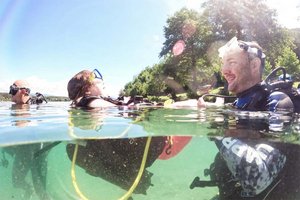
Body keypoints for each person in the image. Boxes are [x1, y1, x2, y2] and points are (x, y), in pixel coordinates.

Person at [190, 37, 300, 199]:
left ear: (254, 65)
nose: (224, 70)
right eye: (224, 63)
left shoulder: (278, 102)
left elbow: (258, 179)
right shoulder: (239, 104)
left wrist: (216, 129)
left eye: (232, 62)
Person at [66, 69, 167, 196]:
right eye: (96, 77)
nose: (102, 81)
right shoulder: (90, 100)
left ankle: (134, 181)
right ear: (87, 88)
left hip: (128, 156)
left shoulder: (82, 102)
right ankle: (135, 180)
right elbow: (109, 108)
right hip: (146, 147)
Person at [5, 79, 49, 200]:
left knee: (41, 191)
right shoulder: (14, 107)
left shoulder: (37, 107)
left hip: (37, 151)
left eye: (13, 90)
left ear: (23, 91)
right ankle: (29, 188)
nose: (10, 94)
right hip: (23, 150)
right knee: (17, 181)